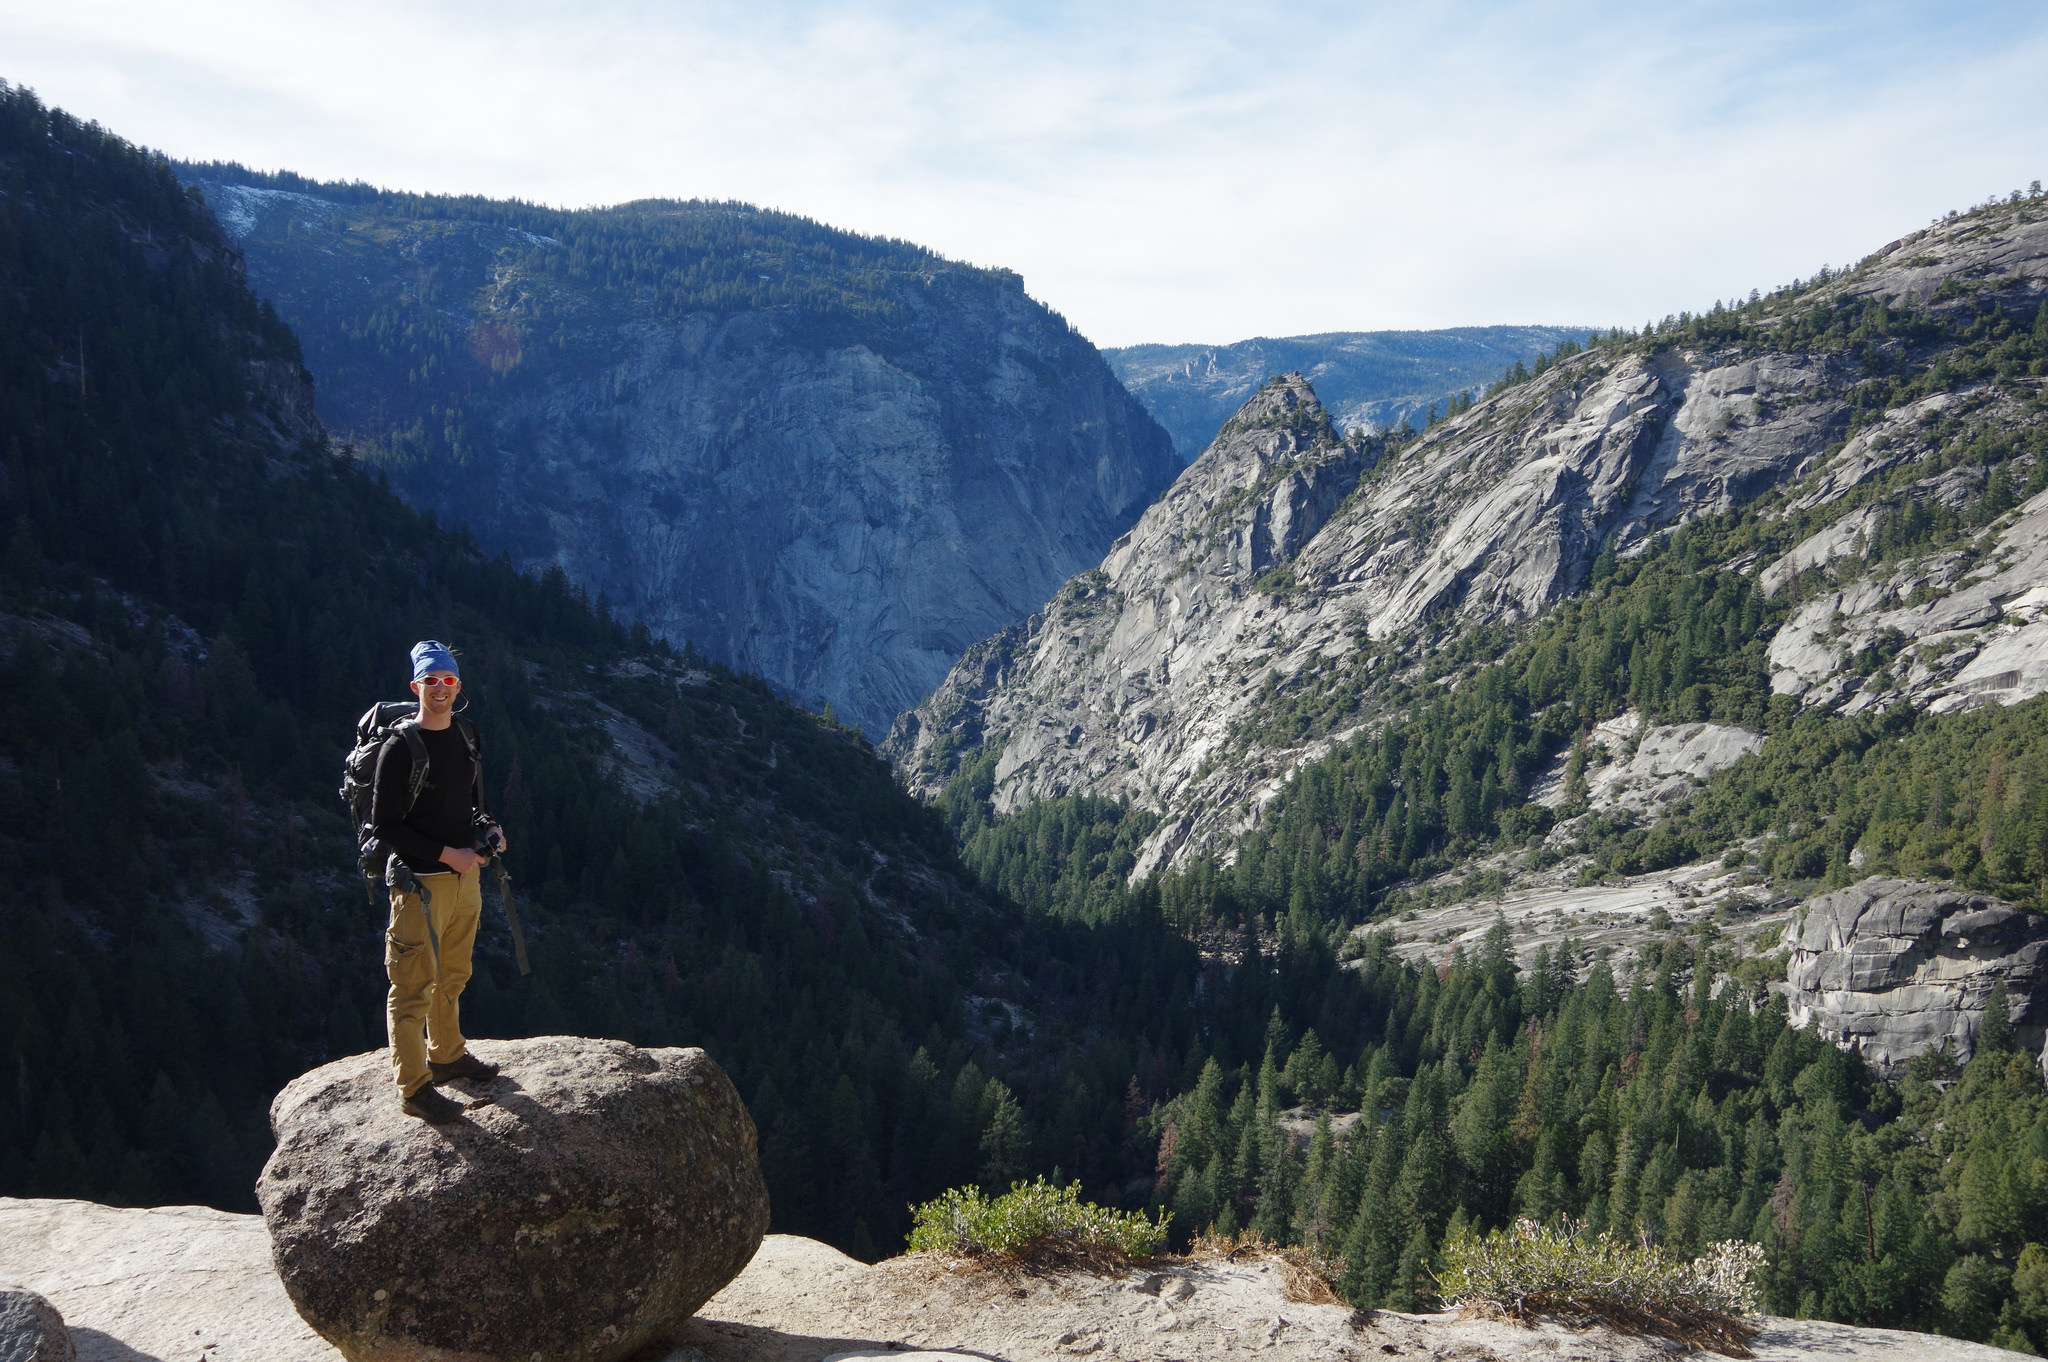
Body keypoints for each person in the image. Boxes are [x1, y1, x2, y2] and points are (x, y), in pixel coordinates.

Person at [370, 640, 508, 1123]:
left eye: (448, 681)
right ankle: (414, 1087)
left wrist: (487, 827)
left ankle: (447, 1055)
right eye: (431, 681)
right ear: (416, 686)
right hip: (419, 884)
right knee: (412, 987)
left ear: (459, 686)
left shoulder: (465, 735)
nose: (440, 690)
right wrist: (447, 853)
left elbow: (468, 799)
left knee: (452, 974)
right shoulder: (400, 747)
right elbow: (385, 824)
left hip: (464, 880)